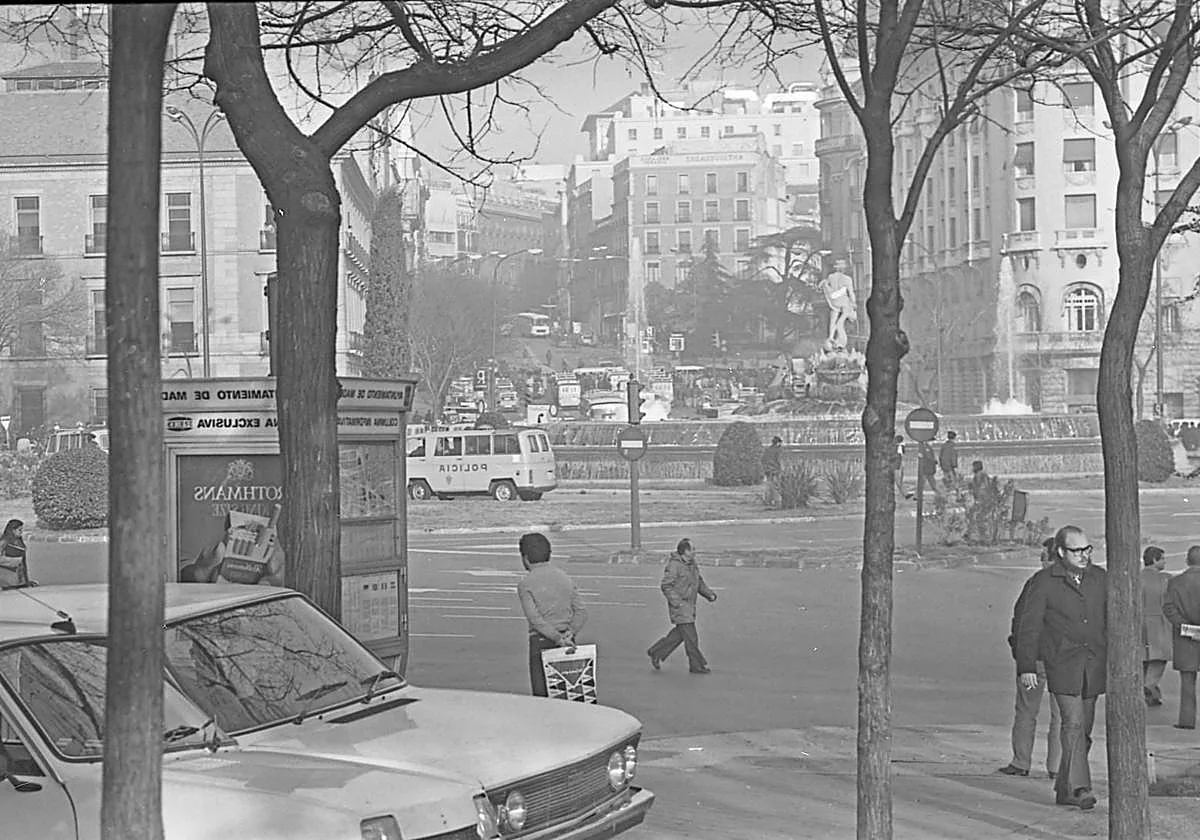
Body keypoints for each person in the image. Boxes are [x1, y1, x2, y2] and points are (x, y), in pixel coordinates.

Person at [1014, 525, 1106, 811]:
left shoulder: (1100, 578)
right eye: (1076, 550)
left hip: (1093, 665)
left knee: (1084, 730)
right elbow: (1027, 627)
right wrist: (1026, 665)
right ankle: (1080, 788)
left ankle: (1064, 788)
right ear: (1061, 552)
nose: (1083, 555)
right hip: (1062, 663)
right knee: (1073, 724)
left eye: (1087, 549)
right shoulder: (1043, 582)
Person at [998, 537, 1062, 779]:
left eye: (1043, 555)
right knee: (1061, 715)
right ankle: (1056, 767)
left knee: (1026, 711)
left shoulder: (1035, 584)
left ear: (1051, 557)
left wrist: (1020, 653)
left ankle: (1021, 761)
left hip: (1034, 659)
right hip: (1063, 661)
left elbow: (1022, 622)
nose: (1040, 560)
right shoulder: (1078, 583)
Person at [515, 532, 588, 697]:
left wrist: (556, 638)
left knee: (543, 693)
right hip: (568, 639)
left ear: (525, 558)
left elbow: (535, 620)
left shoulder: (525, 584)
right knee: (568, 690)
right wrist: (570, 633)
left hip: (541, 641)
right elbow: (581, 611)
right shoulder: (564, 577)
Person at [646, 538, 717, 674]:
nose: (695, 552)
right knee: (691, 637)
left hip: (689, 606)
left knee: (679, 635)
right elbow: (666, 586)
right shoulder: (674, 566)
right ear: (685, 551)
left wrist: (709, 594)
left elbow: (698, 582)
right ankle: (696, 665)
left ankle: (656, 652)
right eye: (692, 549)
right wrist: (677, 602)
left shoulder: (692, 564)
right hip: (680, 606)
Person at [1163, 545, 1200, 729]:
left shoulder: (1175, 582)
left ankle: (1187, 720)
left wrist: (1185, 627)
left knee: (1187, 682)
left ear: (1187, 560)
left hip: (1185, 637)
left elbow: (1169, 609)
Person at [1142, 546, 1173, 707]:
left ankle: (1145, 687)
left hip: (1139, 623)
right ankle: (1150, 686)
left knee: (1143, 659)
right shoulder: (1166, 579)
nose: (1165, 561)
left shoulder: (1135, 577)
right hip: (1159, 624)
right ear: (1154, 560)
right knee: (1158, 660)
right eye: (1163, 558)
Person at [819, 260, 857, 351]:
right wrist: (853, 302)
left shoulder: (831, 277)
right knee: (840, 322)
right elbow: (851, 293)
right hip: (843, 301)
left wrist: (824, 284)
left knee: (833, 320)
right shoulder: (847, 279)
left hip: (834, 301)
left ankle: (831, 337)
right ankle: (839, 341)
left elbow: (824, 284)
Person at [0, 519, 28, 589]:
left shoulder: (19, 541)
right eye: (19, 530)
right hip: (8, 580)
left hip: (20, 580)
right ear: (13, 530)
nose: (22, 532)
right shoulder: (4, 541)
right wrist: (14, 561)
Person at [762, 436, 783, 508]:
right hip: (775, 470)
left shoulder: (767, 450)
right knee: (776, 487)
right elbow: (779, 461)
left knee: (768, 486)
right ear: (778, 443)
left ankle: (767, 501)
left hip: (767, 470)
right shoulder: (778, 450)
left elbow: (763, 460)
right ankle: (777, 501)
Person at [892, 434, 906, 498]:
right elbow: (901, 456)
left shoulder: (896, 446)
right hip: (898, 465)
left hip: (897, 465)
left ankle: (903, 493)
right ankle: (904, 493)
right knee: (899, 480)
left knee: (898, 480)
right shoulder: (900, 447)